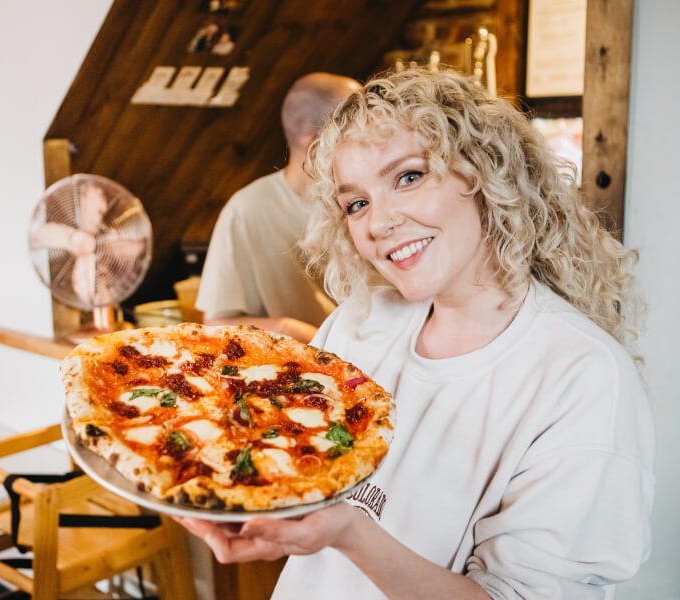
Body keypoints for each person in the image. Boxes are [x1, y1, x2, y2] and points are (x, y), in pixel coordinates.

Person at [181, 68, 655, 599]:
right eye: (355, 203)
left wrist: (349, 531)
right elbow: (290, 470)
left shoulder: (583, 378)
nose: (377, 224)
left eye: (407, 176)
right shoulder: (358, 324)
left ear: (484, 171)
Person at [194, 72, 361, 343]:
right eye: (357, 136)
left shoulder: (373, 200)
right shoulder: (247, 209)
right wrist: (292, 331)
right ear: (316, 146)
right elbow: (217, 325)